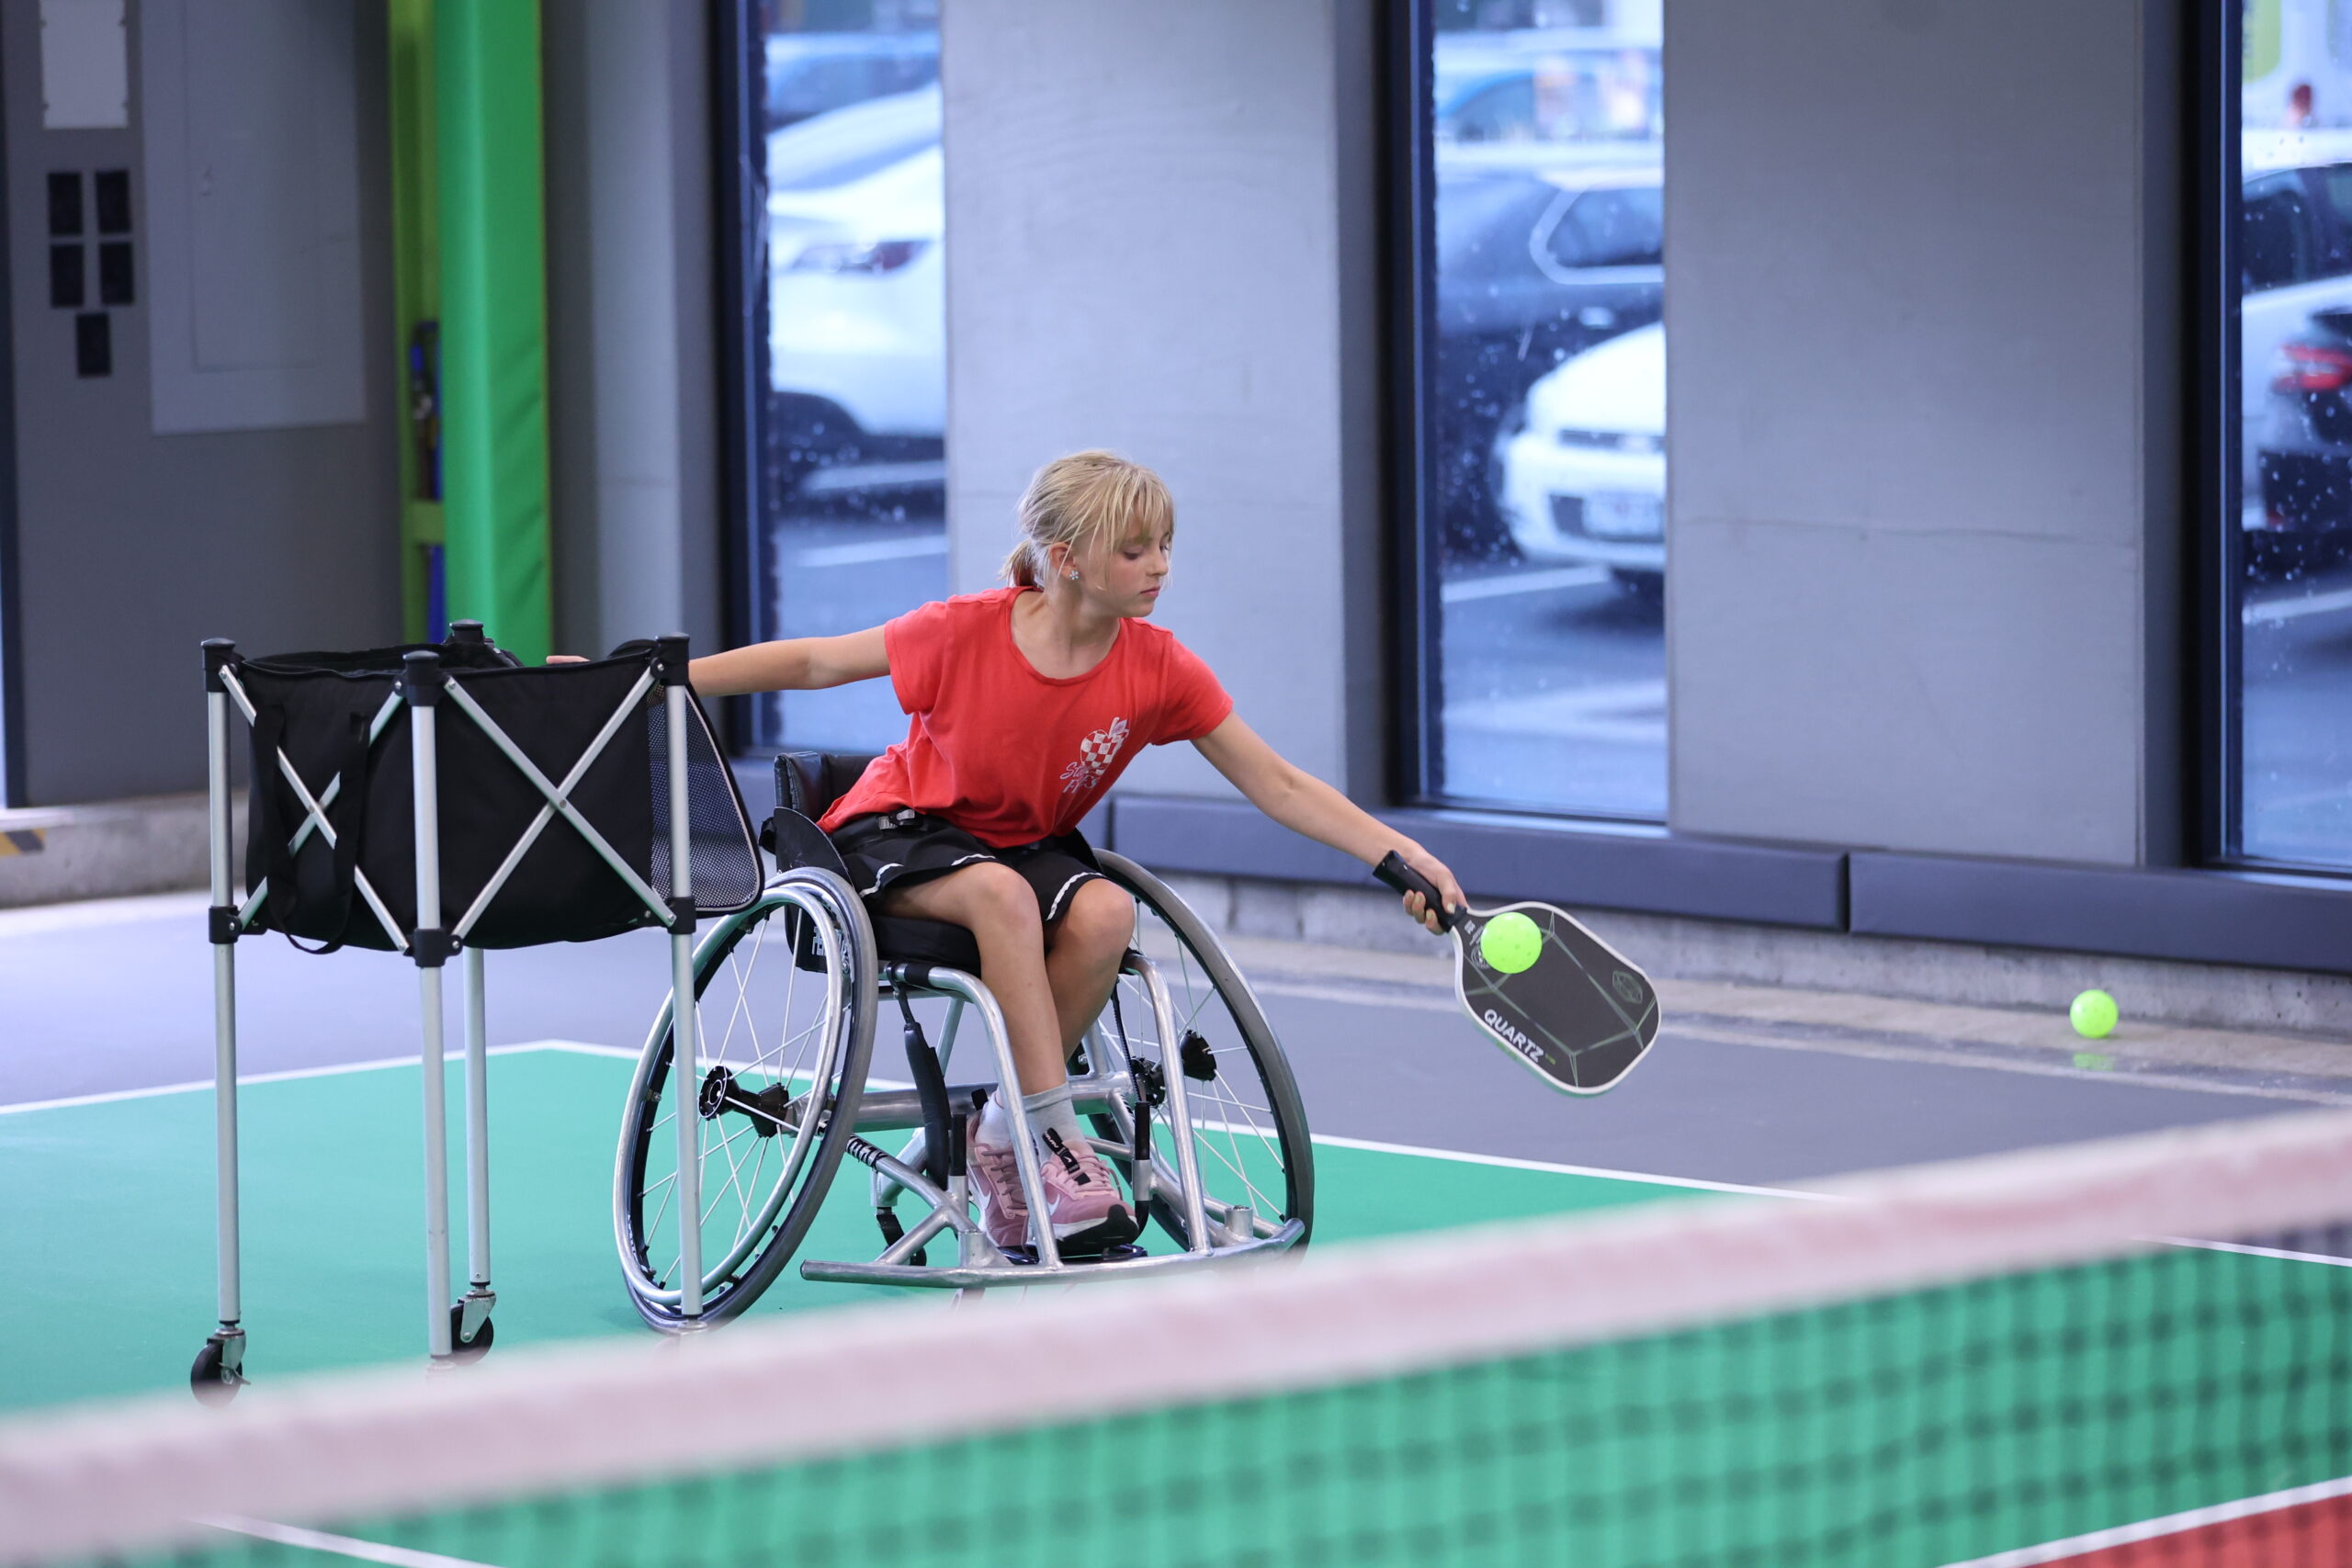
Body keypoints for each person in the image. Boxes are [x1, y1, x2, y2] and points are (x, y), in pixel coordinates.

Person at [686, 450, 1466, 1254]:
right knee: (1001, 896)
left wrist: (1399, 854)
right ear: (1066, 560)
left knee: (1105, 909)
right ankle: (1054, 1142)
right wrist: (669, 677)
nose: (1160, 565)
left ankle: (1000, 1130)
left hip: (1017, 848)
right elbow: (816, 661)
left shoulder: (1158, 668)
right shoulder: (962, 630)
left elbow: (1280, 784)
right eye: (1135, 550)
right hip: (897, 832)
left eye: (1165, 544)